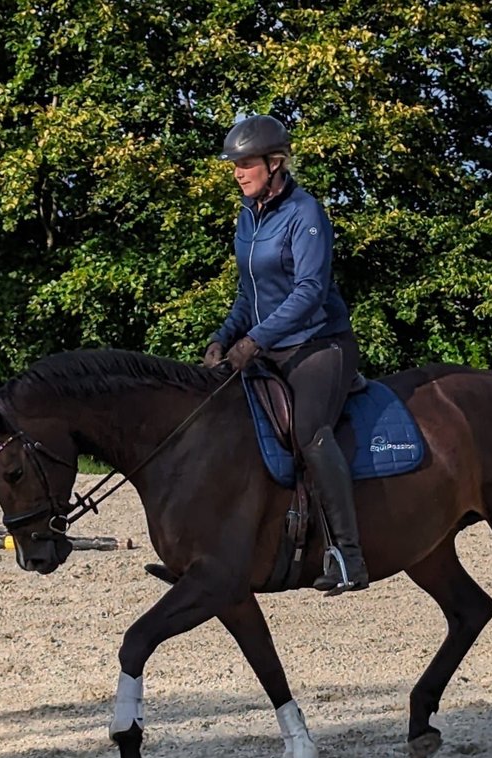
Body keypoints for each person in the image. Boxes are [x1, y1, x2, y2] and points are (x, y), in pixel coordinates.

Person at [203, 114, 369, 595]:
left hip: (319, 344)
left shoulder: (306, 213)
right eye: (235, 165)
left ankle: (348, 555)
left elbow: (309, 292)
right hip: (268, 344)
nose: (238, 172)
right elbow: (247, 294)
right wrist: (224, 336)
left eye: (247, 163)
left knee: (309, 434)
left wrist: (253, 341)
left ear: (275, 163)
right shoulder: (248, 217)